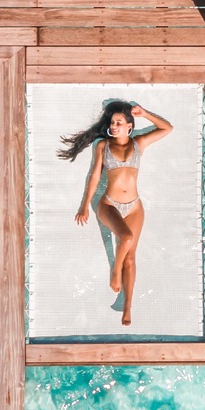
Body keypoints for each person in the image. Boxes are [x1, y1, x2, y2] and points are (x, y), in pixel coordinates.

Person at [58, 100, 173, 326]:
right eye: (113, 122)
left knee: (131, 256)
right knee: (126, 238)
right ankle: (115, 270)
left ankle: (127, 305)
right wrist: (84, 205)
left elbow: (167, 128)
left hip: (134, 206)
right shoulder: (103, 146)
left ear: (130, 126)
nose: (115, 125)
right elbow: (94, 176)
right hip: (109, 205)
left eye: (120, 122)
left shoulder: (139, 143)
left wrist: (144, 113)